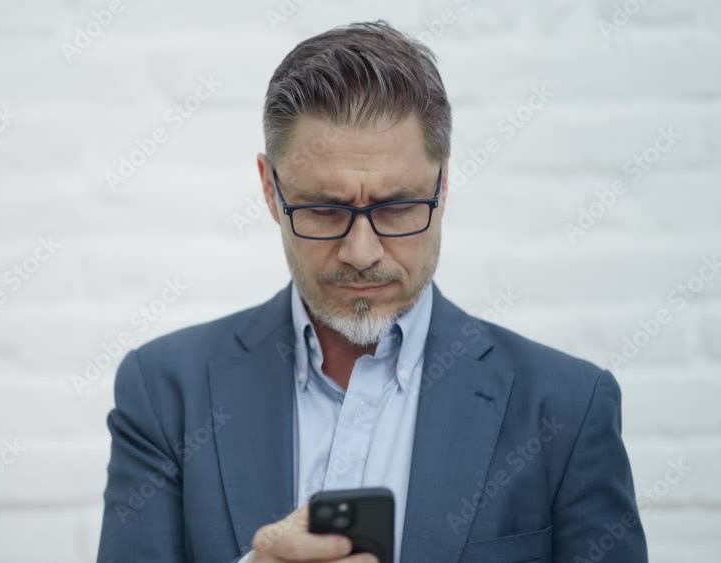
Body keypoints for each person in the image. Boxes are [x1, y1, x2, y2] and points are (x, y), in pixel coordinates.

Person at [96, 20, 647, 563]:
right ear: (270, 190)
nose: (362, 251)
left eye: (396, 207)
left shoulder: (568, 410)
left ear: (443, 185)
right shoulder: (164, 394)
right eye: (325, 209)